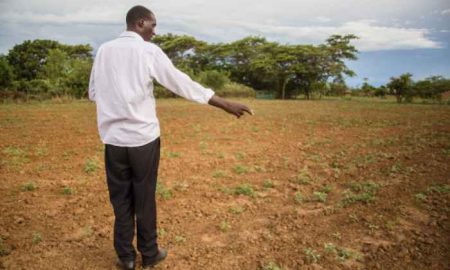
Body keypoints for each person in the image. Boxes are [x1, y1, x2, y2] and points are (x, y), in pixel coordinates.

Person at [88, 5, 252, 270]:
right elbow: (179, 82)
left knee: (120, 199)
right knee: (144, 197)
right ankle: (150, 255)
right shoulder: (148, 51)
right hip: (143, 139)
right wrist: (222, 103)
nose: (155, 31)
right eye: (153, 25)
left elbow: (94, 93)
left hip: (114, 141)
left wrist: (118, 97)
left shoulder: (104, 51)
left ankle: (126, 258)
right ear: (140, 23)